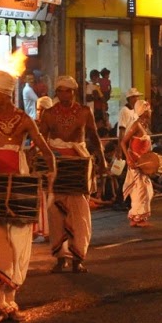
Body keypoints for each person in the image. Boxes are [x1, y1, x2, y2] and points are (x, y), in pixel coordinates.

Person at [0, 71, 53, 323]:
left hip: (19, 186)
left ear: (3, 93)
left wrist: (51, 171)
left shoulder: (25, 120)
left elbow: (44, 149)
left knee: (18, 240)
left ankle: (11, 299)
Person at [37, 76, 104, 272]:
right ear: (56, 93)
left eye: (68, 91)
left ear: (74, 92)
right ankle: (60, 258)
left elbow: (93, 136)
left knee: (80, 215)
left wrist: (102, 159)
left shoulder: (84, 111)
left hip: (78, 166)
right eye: (61, 91)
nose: (64, 94)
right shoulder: (48, 114)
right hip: (57, 166)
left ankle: (77, 258)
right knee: (56, 213)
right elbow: (40, 139)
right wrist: (32, 158)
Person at [119, 100, 156, 228]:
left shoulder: (144, 125)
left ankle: (138, 217)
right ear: (144, 111)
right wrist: (128, 159)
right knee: (141, 190)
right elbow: (123, 142)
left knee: (146, 190)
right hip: (135, 163)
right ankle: (137, 218)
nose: (150, 111)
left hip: (142, 164)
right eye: (148, 109)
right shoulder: (136, 125)